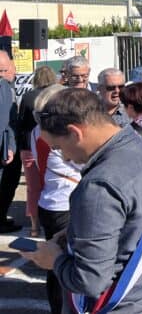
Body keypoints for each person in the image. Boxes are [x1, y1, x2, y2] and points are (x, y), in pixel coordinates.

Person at [23, 88, 142, 313]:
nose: (65, 157)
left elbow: (89, 281)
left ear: (75, 133)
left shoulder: (98, 186)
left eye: (58, 148)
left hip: (117, 305)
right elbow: (139, 223)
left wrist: (54, 259)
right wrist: (76, 232)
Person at [30, 84, 81, 314]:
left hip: (49, 201)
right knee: (66, 265)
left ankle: (56, 308)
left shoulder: (35, 132)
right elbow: (80, 164)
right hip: (65, 202)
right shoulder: (57, 135)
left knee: (54, 264)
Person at [16, 65, 56, 237]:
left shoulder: (28, 97)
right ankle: (53, 223)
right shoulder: (57, 95)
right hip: (52, 146)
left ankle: (34, 227)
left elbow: (21, 123)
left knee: (33, 188)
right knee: (53, 184)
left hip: (29, 147)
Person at [0, 50, 19, 234]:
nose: (3, 74)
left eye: (5, 70)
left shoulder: (7, 88)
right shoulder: (4, 88)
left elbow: (9, 122)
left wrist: (11, 146)